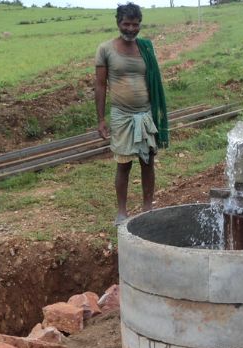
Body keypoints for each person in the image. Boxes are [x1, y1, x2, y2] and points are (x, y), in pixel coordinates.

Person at [94, 2, 168, 225]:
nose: (131, 29)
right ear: (118, 23)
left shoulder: (145, 47)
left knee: (148, 162)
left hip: (145, 114)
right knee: (123, 164)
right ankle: (122, 212)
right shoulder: (105, 49)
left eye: (135, 25)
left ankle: (147, 208)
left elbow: (152, 79)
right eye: (126, 24)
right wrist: (100, 119)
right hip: (122, 116)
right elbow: (100, 85)